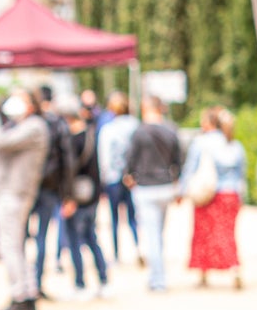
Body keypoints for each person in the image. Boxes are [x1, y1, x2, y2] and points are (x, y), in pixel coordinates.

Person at [0, 89, 49, 310]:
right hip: (11, 191)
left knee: (9, 245)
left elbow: (1, 141)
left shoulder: (34, 126)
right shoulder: (20, 126)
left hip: (14, 191)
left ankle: (20, 295)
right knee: (16, 245)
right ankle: (27, 291)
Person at [125, 96, 186, 293]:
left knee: (151, 235)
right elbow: (179, 160)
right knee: (159, 233)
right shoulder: (171, 130)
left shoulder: (139, 132)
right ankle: (156, 276)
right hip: (166, 187)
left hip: (146, 188)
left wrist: (129, 177)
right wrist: (178, 186)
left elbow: (130, 160)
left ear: (145, 108)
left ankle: (158, 279)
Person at [183, 107, 248, 288]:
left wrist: (183, 190)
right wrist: (242, 198)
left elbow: (190, 168)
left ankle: (203, 273)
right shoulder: (234, 145)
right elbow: (241, 174)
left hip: (208, 194)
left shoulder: (201, 143)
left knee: (203, 234)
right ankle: (234, 268)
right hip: (231, 194)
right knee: (227, 234)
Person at [60, 104, 110, 297]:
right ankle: (103, 279)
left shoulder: (72, 141)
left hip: (77, 197)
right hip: (92, 195)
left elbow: (69, 171)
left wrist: (68, 198)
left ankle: (80, 283)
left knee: (74, 240)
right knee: (91, 239)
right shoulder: (92, 135)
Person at [30, 89, 74, 299]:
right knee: (42, 235)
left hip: (30, 187)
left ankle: (29, 283)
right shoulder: (57, 124)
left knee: (29, 238)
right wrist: (67, 193)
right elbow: (67, 160)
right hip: (49, 187)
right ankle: (36, 282)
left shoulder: (30, 124)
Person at [97, 92, 137, 261]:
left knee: (114, 217)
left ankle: (115, 254)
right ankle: (138, 247)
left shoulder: (108, 129)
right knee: (132, 217)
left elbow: (104, 157)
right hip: (132, 179)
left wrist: (103, 179)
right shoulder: (135, 126)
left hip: (113, 178)